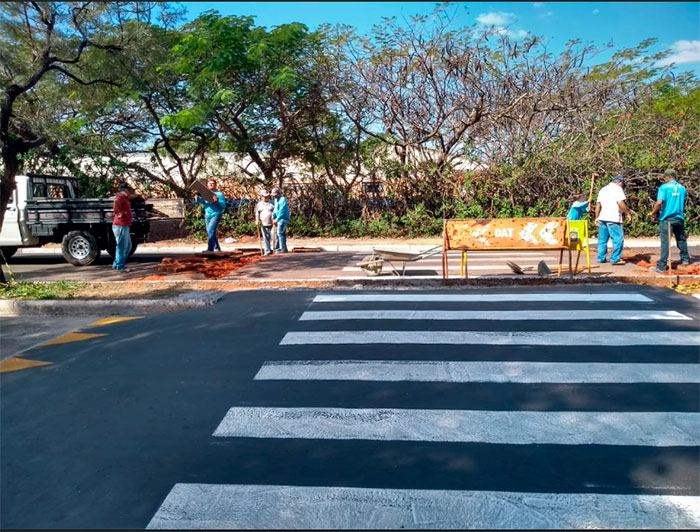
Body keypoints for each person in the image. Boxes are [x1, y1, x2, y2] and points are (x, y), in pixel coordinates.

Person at [648, 168, 690, 272]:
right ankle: (685, 260)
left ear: (667, 177)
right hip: (679, 217)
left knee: (665, 242)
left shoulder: (664, 187)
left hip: (667, 218)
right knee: (681, 239)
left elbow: (659, 202)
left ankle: (661, 266)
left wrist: (653, 213)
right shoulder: (682, 188)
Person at [594, 175, 632, 265]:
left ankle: (601, 257)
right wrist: (627, 213)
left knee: (602, 240)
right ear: (620, 182)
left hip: (602, 218)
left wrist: (596, 217)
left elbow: (598, 205)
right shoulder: (617, 189)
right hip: (613, 218)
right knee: (618, 239)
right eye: (622, 185)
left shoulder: (603, 189)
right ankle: (615, 259)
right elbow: (620, 203)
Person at [111, 182, 143, 272]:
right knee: (122, 247)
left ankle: (117, 263)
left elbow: (131, 197)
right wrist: (120, 213)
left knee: (128, 246)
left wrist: (139, 195)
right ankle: (120, 267)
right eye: (128, 190)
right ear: (124, 190)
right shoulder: (119, 198)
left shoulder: (125, 197)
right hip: (120, 225)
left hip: (124, 225)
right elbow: (116, 203)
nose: (130, 191)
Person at [194, 179, 226, 252]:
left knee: (210, 231)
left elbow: (223, 206)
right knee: (210, 232)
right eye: (209, 184)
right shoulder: (205, 193)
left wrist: (217, 201)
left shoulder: (219, 194)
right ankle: (217, 248)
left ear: (215, 185)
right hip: (207, 215)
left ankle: (210, 249)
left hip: (216, 214)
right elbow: (199, 201)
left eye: (212, 183)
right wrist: (196, 196)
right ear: (207, 185)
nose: (211, 185)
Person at [255, 190, 274, 256]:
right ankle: (267, 251)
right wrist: (257, 220)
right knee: (266, 238)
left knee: (274, 237)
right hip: (263, 223)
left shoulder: (272, 203)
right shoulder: (259, 204)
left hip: (272, 223)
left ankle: (275, 250)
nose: (266, 198)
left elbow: (275, 212)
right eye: (264, 197)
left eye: (267, 196)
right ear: (262, 197)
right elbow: (257, 213)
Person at [271, 186, 290, 253]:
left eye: (275, 195)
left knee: (280, 232)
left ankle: (283, 248)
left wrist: (277, 219)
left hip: (283, 218)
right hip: (278, 218)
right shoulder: (276, 200)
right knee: (281, 233)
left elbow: (282, 211)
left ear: (278, 193)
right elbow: (276, 209)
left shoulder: (282, 200)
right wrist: (273, 215)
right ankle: (279, 248)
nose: (274, 196)